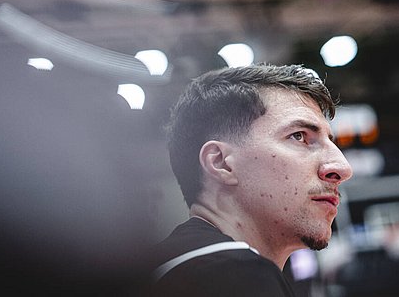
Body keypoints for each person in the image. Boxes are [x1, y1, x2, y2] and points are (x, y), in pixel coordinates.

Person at [149, 64, 353, 296]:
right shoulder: (232, 273)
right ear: (221, 162)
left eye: (330, 141)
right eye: (299, 136)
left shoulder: (157, 269)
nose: (342, 168)